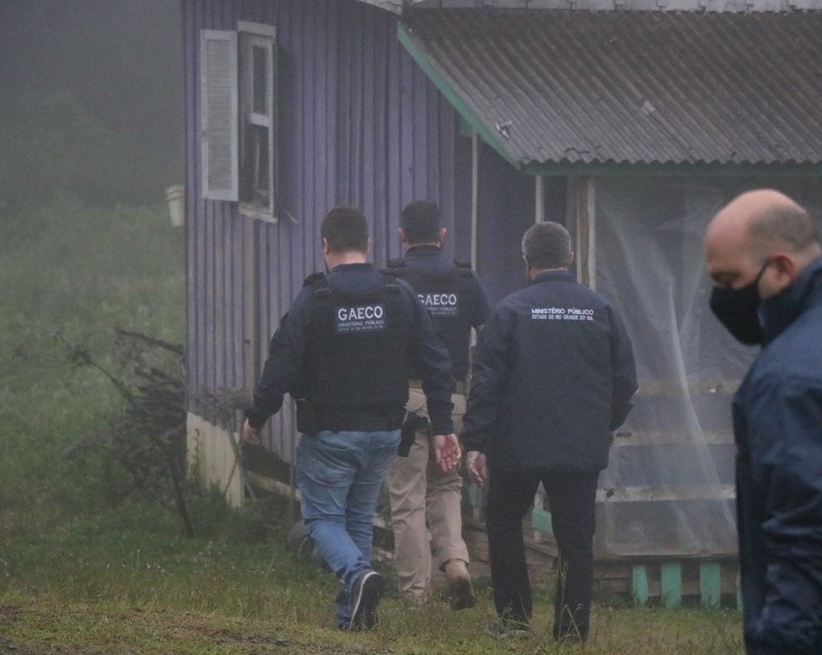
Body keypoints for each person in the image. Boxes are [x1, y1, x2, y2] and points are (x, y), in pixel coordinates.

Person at [241, 205, 461, 632]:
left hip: (330, 435)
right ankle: (356, 619)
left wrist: (256, 418)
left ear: (324, 245)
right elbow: (438, 363)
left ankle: (357, 575)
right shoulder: (399, 295)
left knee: (322, 519)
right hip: (384, 433)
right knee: (358, 519)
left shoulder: (314, 298)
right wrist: (444, 426)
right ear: (370, 244)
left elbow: (281, 365)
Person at [703, 189, 822, 655]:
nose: (722, 299)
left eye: (730, 281)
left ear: (781, 268)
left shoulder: (793, 379)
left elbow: (807, 539)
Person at [461, 221, 637, 643]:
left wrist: (476, 442)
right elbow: (625, 381)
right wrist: (604, 424)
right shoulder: (601, 311)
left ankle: (514, 620)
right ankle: (572, 631)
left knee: (504, 523)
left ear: (526, 262)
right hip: (579, 446)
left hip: (516, 446)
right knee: (576, 539)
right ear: (569, 258)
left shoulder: (510, 311)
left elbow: (487, 382)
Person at [383, 200, 493, 610]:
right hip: (455, 396)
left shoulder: (392, 280)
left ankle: (417, 595)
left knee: (408, 496)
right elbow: (492, 333)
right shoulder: (465, 279)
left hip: (406, 399)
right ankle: (456, 562)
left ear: (402, 235)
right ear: (442, 235)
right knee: (446, 486)